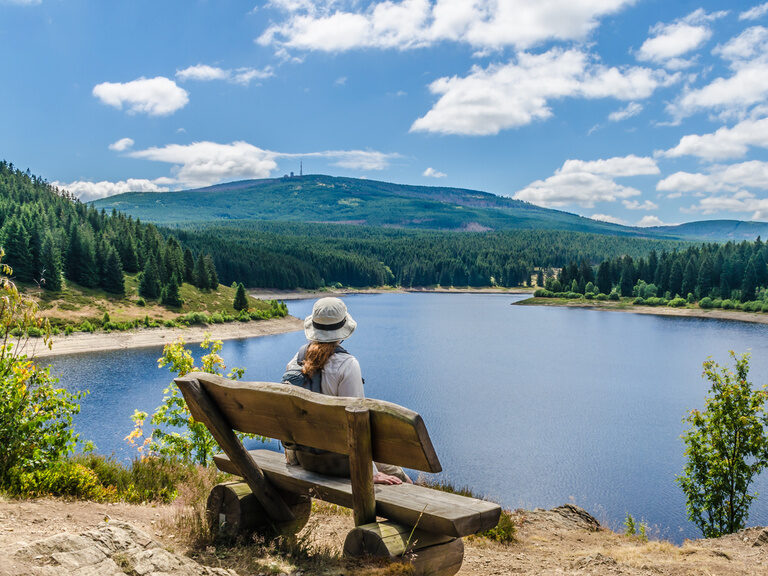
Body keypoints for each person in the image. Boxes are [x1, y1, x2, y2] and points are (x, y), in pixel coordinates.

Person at [283, 296, 412, 485]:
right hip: (339, 462)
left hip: (303, 458)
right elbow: (358, 422)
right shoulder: (347, 365)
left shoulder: (296, 361)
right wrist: (371, 471)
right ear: (342, 330)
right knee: (399, 476)